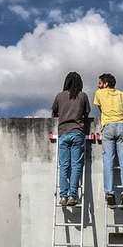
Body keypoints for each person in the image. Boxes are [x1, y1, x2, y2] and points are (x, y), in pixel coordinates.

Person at [93, 73, 123, 206]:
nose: (98, 85)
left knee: (108, 161)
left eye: (100, 83)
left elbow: (100, 109)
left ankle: (109, 193)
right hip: (122, 126)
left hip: (108, 127)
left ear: (105, 84)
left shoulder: (99, 93)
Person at [51, 71, 90, 207]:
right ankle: (73, 195)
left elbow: (54, 112)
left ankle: (63, 196)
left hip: (63, 133)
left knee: (64, 167)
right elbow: (87, 112)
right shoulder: (83, 96)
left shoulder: (59, 96)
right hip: (77, 132)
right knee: (76, 165)